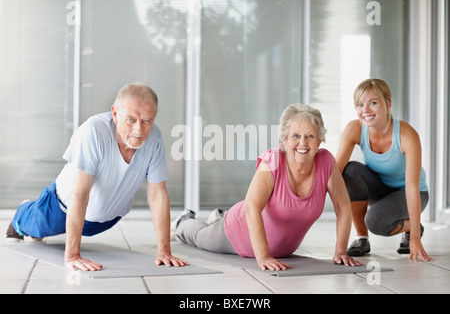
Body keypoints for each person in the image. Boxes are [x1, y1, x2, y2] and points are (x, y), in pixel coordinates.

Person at [6, 82, 188, 271]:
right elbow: (81, 193)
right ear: (115, 114)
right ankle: (24, 211)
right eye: (131, 119)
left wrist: (165, 251)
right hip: (61, 209)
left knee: (77, 228)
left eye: (147, 121)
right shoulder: (94, 131)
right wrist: (72, 255)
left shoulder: (155, 138)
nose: (139, 130)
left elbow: (157, 194)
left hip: (104, 221)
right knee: (33, 228)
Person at [173, 103, 362, 271]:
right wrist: (263, 256)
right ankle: (182, 221)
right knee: (198, 237)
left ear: (319, 140)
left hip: (283, 252)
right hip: (236, 233)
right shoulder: (272, 162)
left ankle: (217, 217)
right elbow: (251, 207)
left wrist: (340, 251)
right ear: (284, 140)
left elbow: (343, 208)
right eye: (295, 135)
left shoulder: (326, 163)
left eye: (310, 136)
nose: (303, 143)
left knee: (208, 230)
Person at [335, 78, 433, 262]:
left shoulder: (406, 134)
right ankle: (362, 239)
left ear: (387, 105)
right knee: (351, 171)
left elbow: (412, 187)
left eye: (373, 103)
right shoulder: (354, 129)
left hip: (412, 192)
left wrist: (415, 239)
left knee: (375, 221)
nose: (365, 110)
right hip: (381, 188)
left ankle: (413, 227)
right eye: (360, 104)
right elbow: (334, 172)